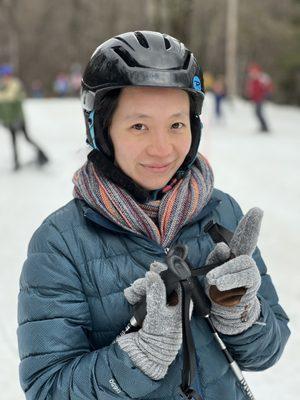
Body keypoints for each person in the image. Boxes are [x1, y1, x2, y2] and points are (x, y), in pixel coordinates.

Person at [17, 31, 290, 400]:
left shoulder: (221, 211)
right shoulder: (60, 243)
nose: (162, 148)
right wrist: (139, 354)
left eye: (176, 124)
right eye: (139, 126)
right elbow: (46, 388)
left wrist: (242, 313)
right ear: (102, 129)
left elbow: (267, 352)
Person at [0, 64, 49, 170]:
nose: (6, 77)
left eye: (8, 75)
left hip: (19, 119)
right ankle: (16, 162)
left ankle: (43, 155)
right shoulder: (2, 86)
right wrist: (3, 120)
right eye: (4, 75)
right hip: (9, 120)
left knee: (27, 138)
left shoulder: (15, 84)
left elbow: (11, 97)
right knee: (13, 140)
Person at [246, 63, 273, 133]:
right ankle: (263, 126)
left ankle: (265, 126)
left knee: (258, 112)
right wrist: (250, 97)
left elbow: (269, 87)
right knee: (257, 112)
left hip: (261, 98)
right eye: (251, 73)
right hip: (256, 98)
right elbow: (251, 90)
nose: (252, 74)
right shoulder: (252, 80)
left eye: (254, 72)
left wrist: (267, 94)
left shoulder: (262, 78)